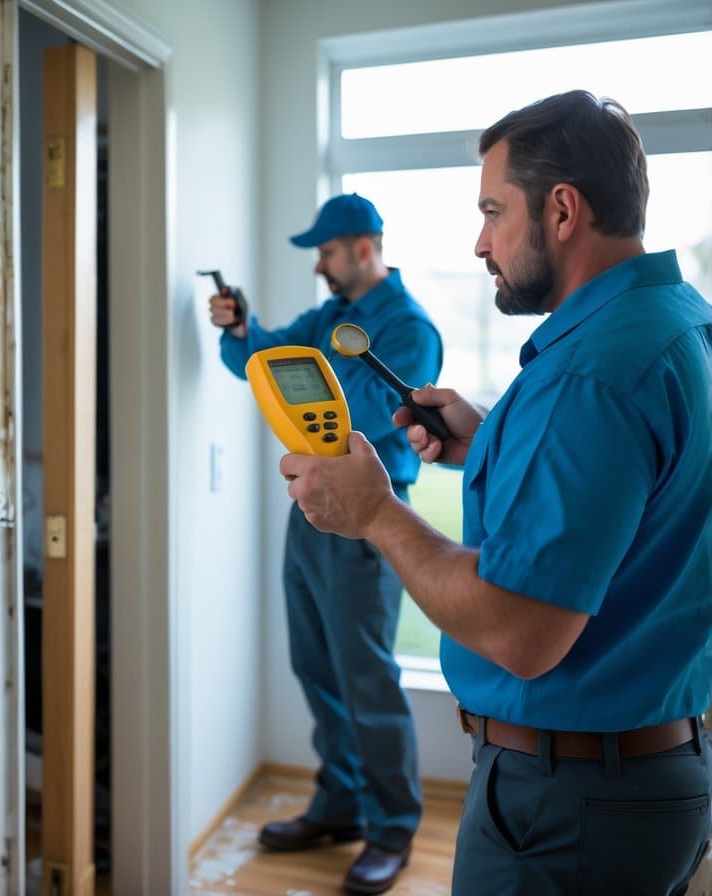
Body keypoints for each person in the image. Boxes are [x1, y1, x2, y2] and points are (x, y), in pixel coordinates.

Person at [280, 90, 712, 895]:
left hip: (567, 809)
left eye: (491, 211)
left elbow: (520, 631)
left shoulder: (589, 374)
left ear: (562, 210)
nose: (480, 243)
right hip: (656, 775)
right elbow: (651, 493)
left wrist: (378, 512)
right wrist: (492, 440)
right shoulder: (681, 325)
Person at [210, 193, 444, 895]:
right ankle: (340, 804)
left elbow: (358, 421)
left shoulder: (408, 328)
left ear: (363, 247)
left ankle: (392, 828)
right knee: (315, 665)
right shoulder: (333, 320)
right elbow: (267, 363)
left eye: (327, 250)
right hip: (310, 512)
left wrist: (297, 377)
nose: (320, 264)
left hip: (368, 520)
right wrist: (243, 329)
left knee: (365, 677)